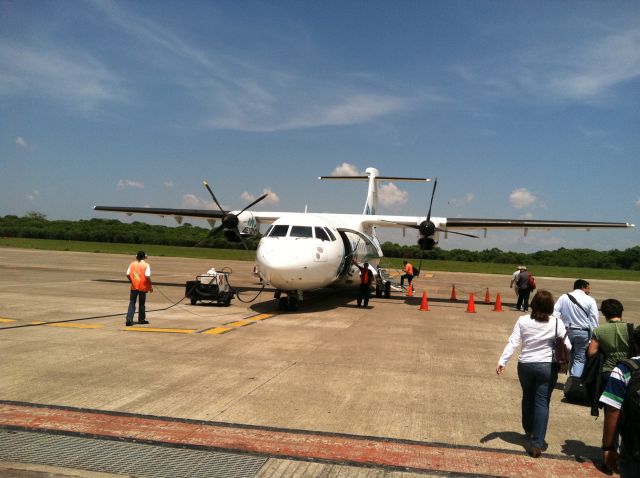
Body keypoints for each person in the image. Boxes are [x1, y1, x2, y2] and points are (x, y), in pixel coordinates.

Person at [496, 290, 571, 458]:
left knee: (527, 397)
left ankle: (528, 429)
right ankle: (537, 444)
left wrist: (503, 361)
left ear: (533, 304)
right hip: (546, 367)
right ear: (551, 306)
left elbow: (514, 342)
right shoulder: (557, 323)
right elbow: (568, 346)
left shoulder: (523, 320)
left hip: (525, 365)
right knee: (542, 402)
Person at [599, 326, 640, 476]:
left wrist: (608, 447)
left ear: (635, 344)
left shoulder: (625, 369)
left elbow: (612, 411)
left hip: (633, 448)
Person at [588, 299, 634, 398]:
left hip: (608, 371)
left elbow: (591, 352)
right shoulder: (633, 328)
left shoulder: (598, 330)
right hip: (629, 371)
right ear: (621, 311)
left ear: (604, 314)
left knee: (610, 406)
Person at [554, 279, 599, 378]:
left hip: (566, 332)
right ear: (583, 287)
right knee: (580, 358)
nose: (589, 291)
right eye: (588, 288)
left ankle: (572, 379)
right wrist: (593, 337)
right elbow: (594, 320)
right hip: (583, 333)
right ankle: (574, 382)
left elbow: (555, 314)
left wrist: (558, 329)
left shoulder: (563, 297)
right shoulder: (590, 300)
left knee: (570, 357)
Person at [126, 251, 153, 326]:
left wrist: (132, 280)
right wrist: (150, 285)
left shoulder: (132, 264)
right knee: (141, 304)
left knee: (132, 302)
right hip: (143, 287)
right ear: (144, 257)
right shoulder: (146, 265)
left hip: (134, 286)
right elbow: (147, 276)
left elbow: (127, 274)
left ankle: (129, 319)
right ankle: (141, 319)